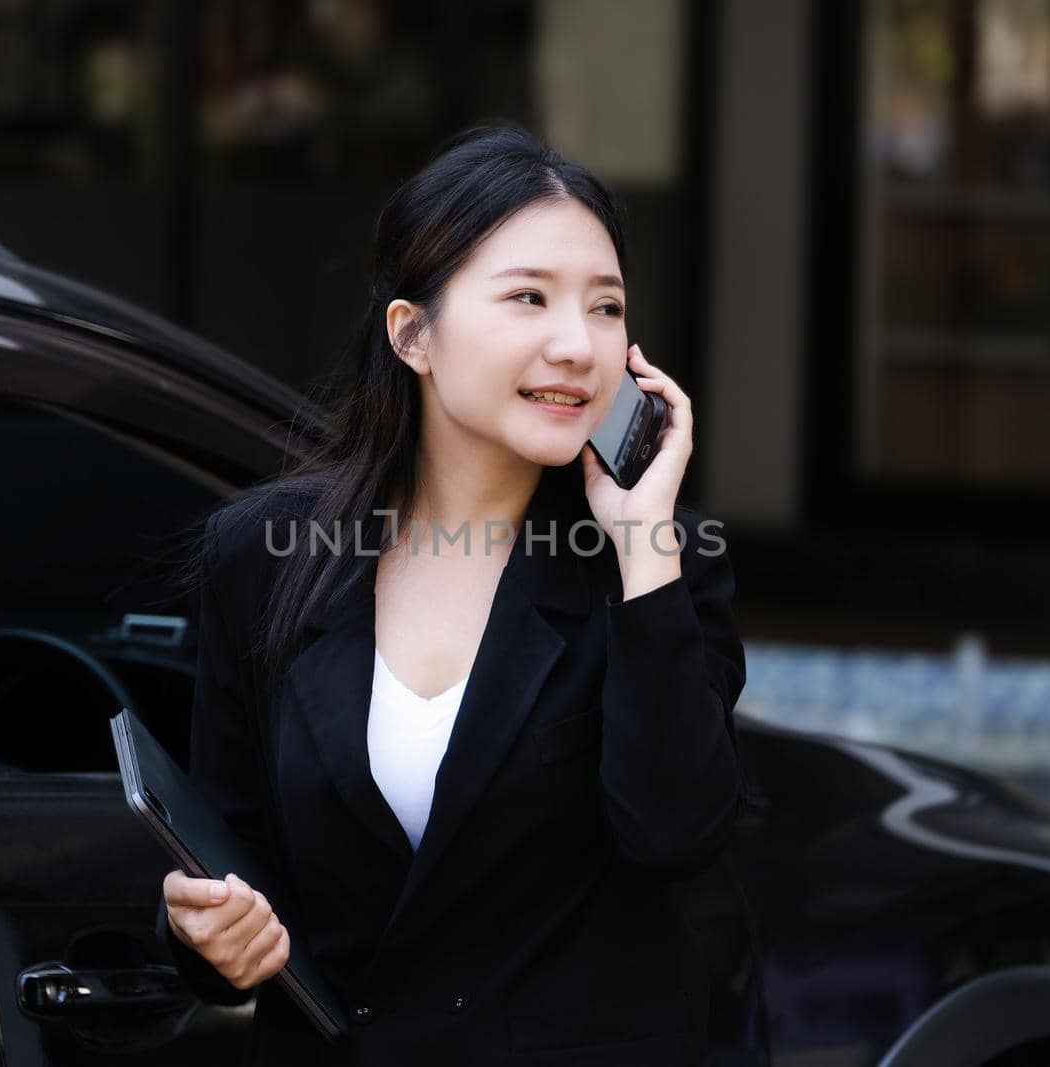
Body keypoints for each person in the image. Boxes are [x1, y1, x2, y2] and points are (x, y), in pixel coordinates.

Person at [156, 120, 748, 1066]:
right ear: (414, 334)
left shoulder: (660, 559)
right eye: (528, 297)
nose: (578, 346)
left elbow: (675, 834)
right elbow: (232, 859)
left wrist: (641, 544)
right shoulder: (265, 554)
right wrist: (203, 934)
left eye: (606, 308)